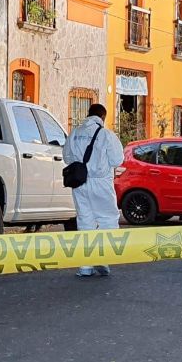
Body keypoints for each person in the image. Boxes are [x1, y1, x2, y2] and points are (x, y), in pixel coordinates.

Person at [63, 104, 125, 277]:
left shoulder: (75, 133)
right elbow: (117, 160)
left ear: (88, 115)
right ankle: (102, 257)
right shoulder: (106, 135)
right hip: (101, 183)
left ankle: (85, 266)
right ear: (103, 117)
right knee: (108, 219)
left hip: (80, 183)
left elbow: (67, 157)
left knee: (85, 222)